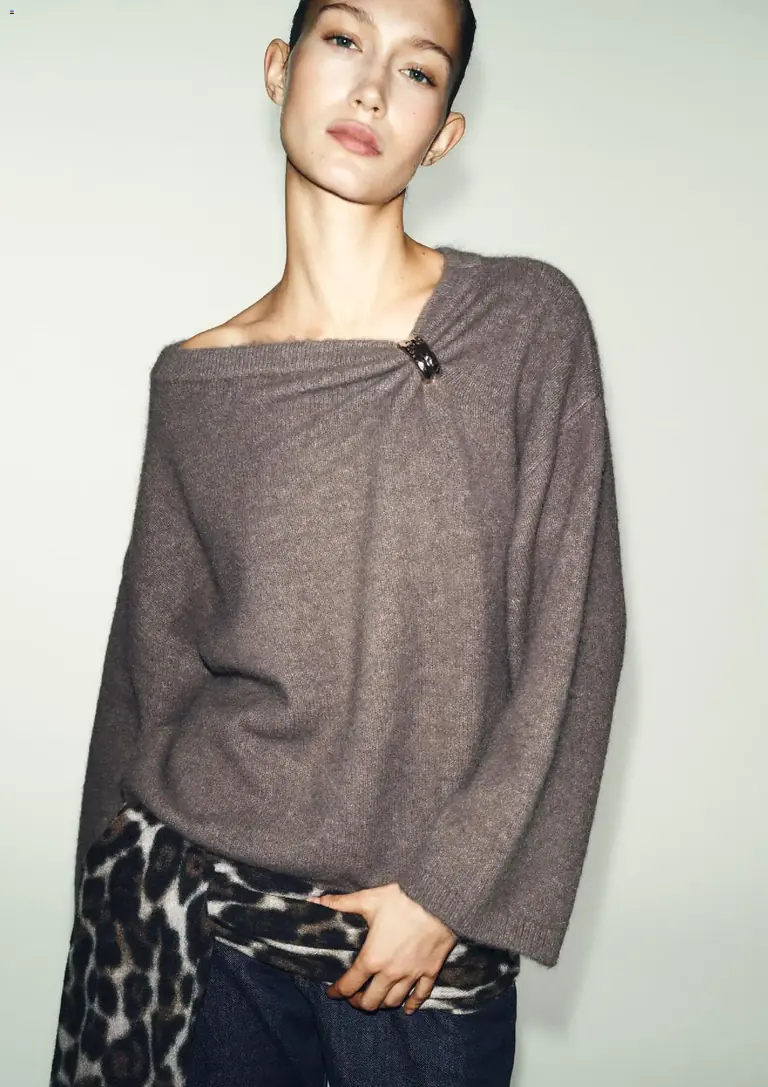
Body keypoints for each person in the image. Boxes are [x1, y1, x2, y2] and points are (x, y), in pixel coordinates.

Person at [50, 0, 627, 1084]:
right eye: (345, 40)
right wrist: (106, 882)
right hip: (205, 915)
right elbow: (149, 662)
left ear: (444, 133)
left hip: (414, 942)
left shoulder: (523, 322)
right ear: (280, 67)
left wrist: (450, 892)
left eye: (418, 72)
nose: (371, 88)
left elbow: (575, 640)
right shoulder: (197, 380)